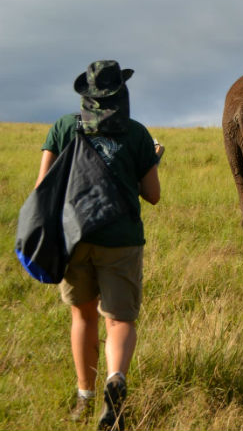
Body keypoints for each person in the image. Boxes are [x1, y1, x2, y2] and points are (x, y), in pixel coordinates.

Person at [35, 61, 163, 431]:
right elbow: (152, 195)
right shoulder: (137, 134)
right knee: (120, 319)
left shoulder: (62, 127)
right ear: (121, 92)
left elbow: (42, 187)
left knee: (83, 316)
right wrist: (151, 159)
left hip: (73, 238)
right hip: (121, 240)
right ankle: (116, 380)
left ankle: (84, 398)